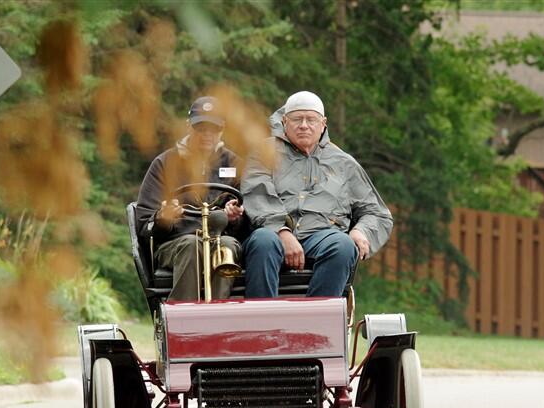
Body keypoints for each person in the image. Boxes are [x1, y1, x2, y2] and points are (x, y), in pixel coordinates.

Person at [240, 91, 393, 298]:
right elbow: (257, 194)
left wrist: (362, 231)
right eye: (297, 119)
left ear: (323, 124)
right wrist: (282, 232)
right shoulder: (264, 153)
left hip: (322, 236)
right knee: (263, 241)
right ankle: (262, 327)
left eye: (311, 119)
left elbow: (377, 213)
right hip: (271, 235)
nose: (304, 125)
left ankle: (315, 324)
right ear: (284, 121)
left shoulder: (344, 163)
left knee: (343, 245)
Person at [135, 96, 245, 301]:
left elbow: (250, 219)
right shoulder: (164, 163)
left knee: (227, 246)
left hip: (221, 239)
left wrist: (236, 217)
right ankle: (185, 323)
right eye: (200, 128)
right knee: (191, 245)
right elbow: (144, 223)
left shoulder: (235, 163)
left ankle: (218, 318)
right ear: (188, 127)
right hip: (176, 244)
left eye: (213, 129)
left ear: (222, 129)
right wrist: (164, 219)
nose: (207, 135)